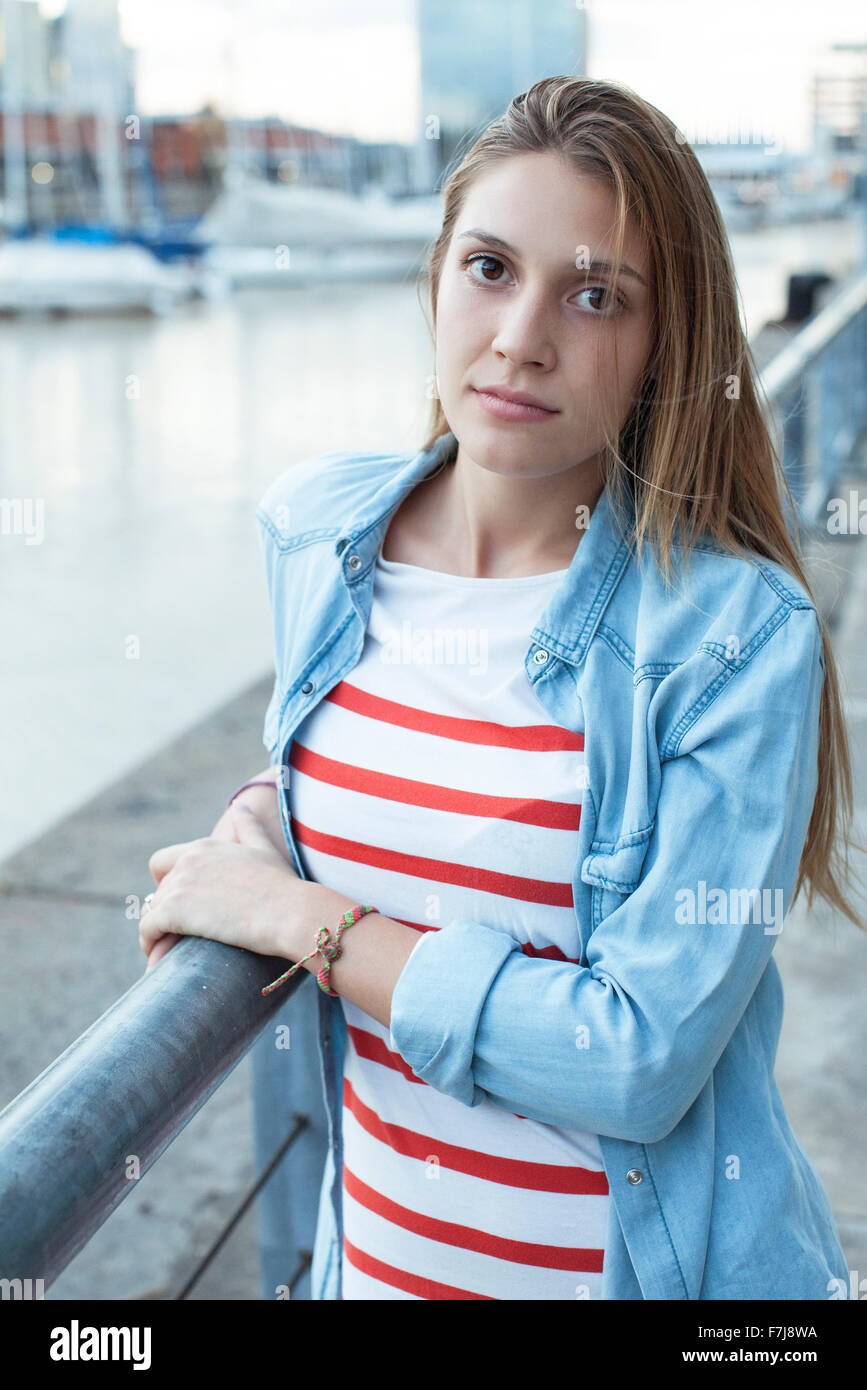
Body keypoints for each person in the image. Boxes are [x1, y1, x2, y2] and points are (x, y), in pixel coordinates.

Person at [139, 76, 864, 1300]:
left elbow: (635, 1060)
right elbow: (346, 757)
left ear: (662, 345)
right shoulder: (316, 532)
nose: (524, 334)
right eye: (489, 267)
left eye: (594, 295)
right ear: (435, 278)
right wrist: (265, 819)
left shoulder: (735, 639)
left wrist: (296, 919)